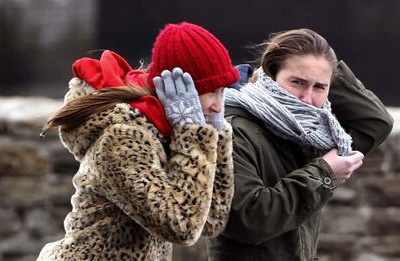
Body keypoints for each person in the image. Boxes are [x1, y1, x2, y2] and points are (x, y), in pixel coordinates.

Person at [37, 22, 239, 261]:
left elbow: (211, 221)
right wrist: (192, 133)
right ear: (181, 90)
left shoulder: (168, 128)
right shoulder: (123, 137)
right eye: (210, 92)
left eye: (221, 92)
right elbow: (182, 227)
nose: (218, 105)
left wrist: (216, 135)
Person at [207, 28, 393, 260]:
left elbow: (375, 123)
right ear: (271, 75)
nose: (306, 99)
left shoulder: (309, 133)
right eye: (297, 82)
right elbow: (249, 219)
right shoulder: (233, 129)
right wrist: (324, 174)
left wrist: (324, 72)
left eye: (319, 87)